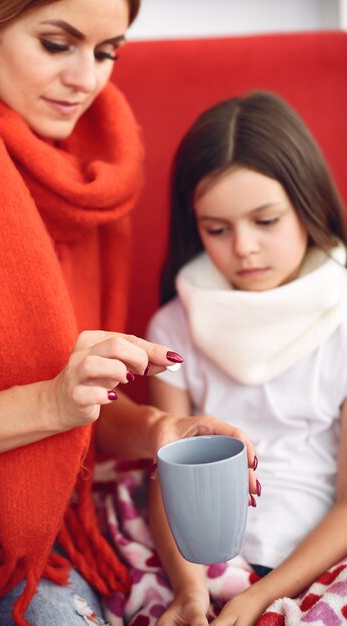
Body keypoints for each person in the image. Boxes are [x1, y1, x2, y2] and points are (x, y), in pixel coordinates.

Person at [0, 1, 259, 625]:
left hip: (26, 528)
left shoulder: (96, 177)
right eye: (58, 44)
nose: (87, 78)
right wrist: (50, 404)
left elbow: (82, 408)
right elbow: (58, 405)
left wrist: (156, 431)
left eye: (108, 51)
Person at [147, 91, 347, 625]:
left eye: (266, 221)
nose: (244, 249)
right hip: (203, 555)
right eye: (218, 229)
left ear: (310, 205)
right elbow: (166, 479)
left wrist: (256, 599)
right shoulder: (173, 327)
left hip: (322, 549)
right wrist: (191, 592)